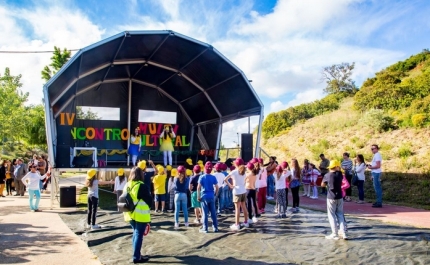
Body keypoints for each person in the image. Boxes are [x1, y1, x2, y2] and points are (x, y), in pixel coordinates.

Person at [123, 167, 152, 264]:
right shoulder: (141, 186)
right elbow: (149, 201)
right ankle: (136, 256)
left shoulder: (127, 184)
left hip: (129, 213)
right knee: (138, 235)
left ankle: (137, 254)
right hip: (140, 215)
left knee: (135, 233)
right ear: (141, 174)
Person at [321, 160, 347, 240]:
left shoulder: (327, 175)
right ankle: (343, 232)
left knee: (331, 215)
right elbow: (340, 172)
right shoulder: (340, 175)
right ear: (337, 167)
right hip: (340, 196)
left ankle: (334, 233)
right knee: (340, 214)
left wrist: (326, 185)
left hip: (331, 197)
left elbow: (322, 184)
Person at [224, 158, 249, 231]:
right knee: (244, 206)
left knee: (237, 208)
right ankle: (246, 222)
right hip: (243, 190)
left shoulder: (234, 172)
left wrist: (230, 185)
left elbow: (225, 179)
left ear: (236, 164)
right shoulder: (245, 171)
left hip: (236, 191)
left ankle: (237, 224)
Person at [197, 162, 219, 233]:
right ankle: (215, 227)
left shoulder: (202, 177)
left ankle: (205, 228)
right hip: (211, 196)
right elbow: (217, 187)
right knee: (213, 212)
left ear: (204, 168)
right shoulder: (213, 177)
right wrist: (215, 193)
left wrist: (198, 196)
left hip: (204, 196)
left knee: (205, 213)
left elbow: (198, 188)